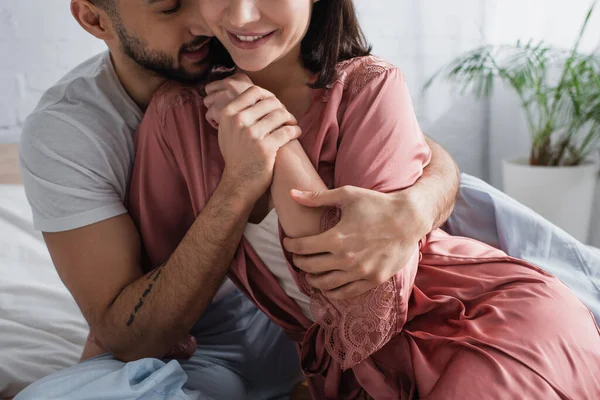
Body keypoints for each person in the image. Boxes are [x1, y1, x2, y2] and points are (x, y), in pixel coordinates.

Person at [127, 0, 600, 399]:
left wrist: (278, 141)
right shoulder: (177, 120)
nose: (244, 14)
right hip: (353, 379)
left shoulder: (370, 87)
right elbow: (165, 301)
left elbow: (369, 314)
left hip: (484, 326)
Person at [15, 1, 461, 399]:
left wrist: (420, 204)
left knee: (484, 217)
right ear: (94, 19)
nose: (208, 20)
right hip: (215, 341)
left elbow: (409, 139)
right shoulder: (70, 133)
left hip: (330, 308)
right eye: (172, 8)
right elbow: (127, 335)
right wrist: (241, 182)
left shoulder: (249, 60)